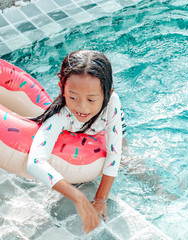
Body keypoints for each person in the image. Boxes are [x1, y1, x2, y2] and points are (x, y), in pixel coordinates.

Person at [27, 50, 127, 233]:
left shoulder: (112, 102)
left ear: (108, 93)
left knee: (128, 159)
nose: (82, 107)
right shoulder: (59, 115)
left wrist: (100, 199)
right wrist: (78, 197)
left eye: (91, 99)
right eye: (73, 97)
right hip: (74, 130)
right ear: (62, 88)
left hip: (105, 124)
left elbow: (114, 153)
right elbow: (34, 162)